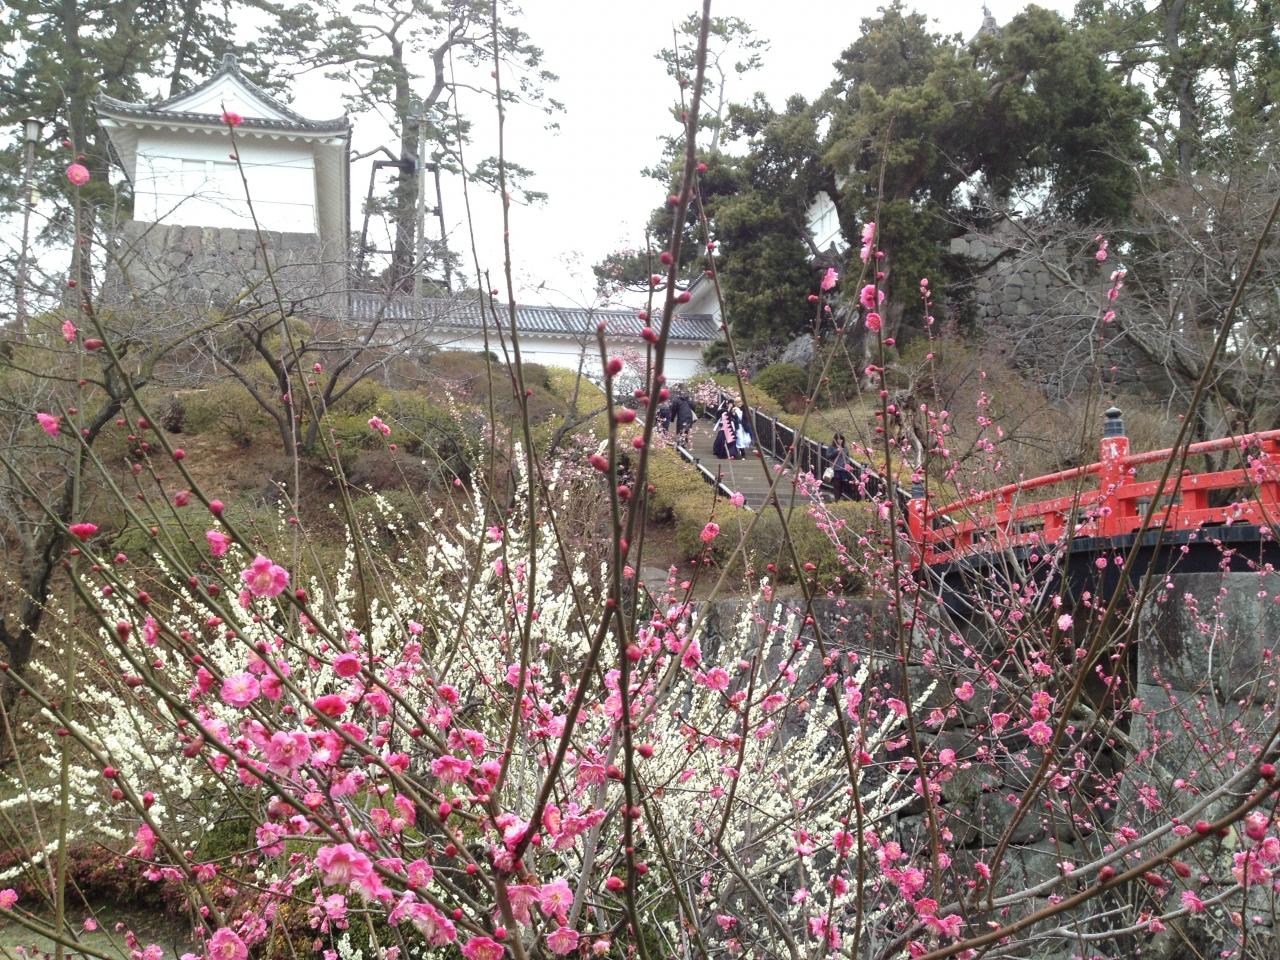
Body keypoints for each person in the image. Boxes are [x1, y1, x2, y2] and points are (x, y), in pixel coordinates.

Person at [827, 433, 855, 500]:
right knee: (836, 486)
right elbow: (828, 456)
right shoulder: (831, 447)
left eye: (841, 439)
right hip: (835, 470)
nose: (840, 440)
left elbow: (847, 458)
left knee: (842, 486)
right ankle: (836, 501)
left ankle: (839, 501)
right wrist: (836, 451)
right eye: (838, 439)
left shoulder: (845, 448)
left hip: (843, 470)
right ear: (835, 439)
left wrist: (847, 465)